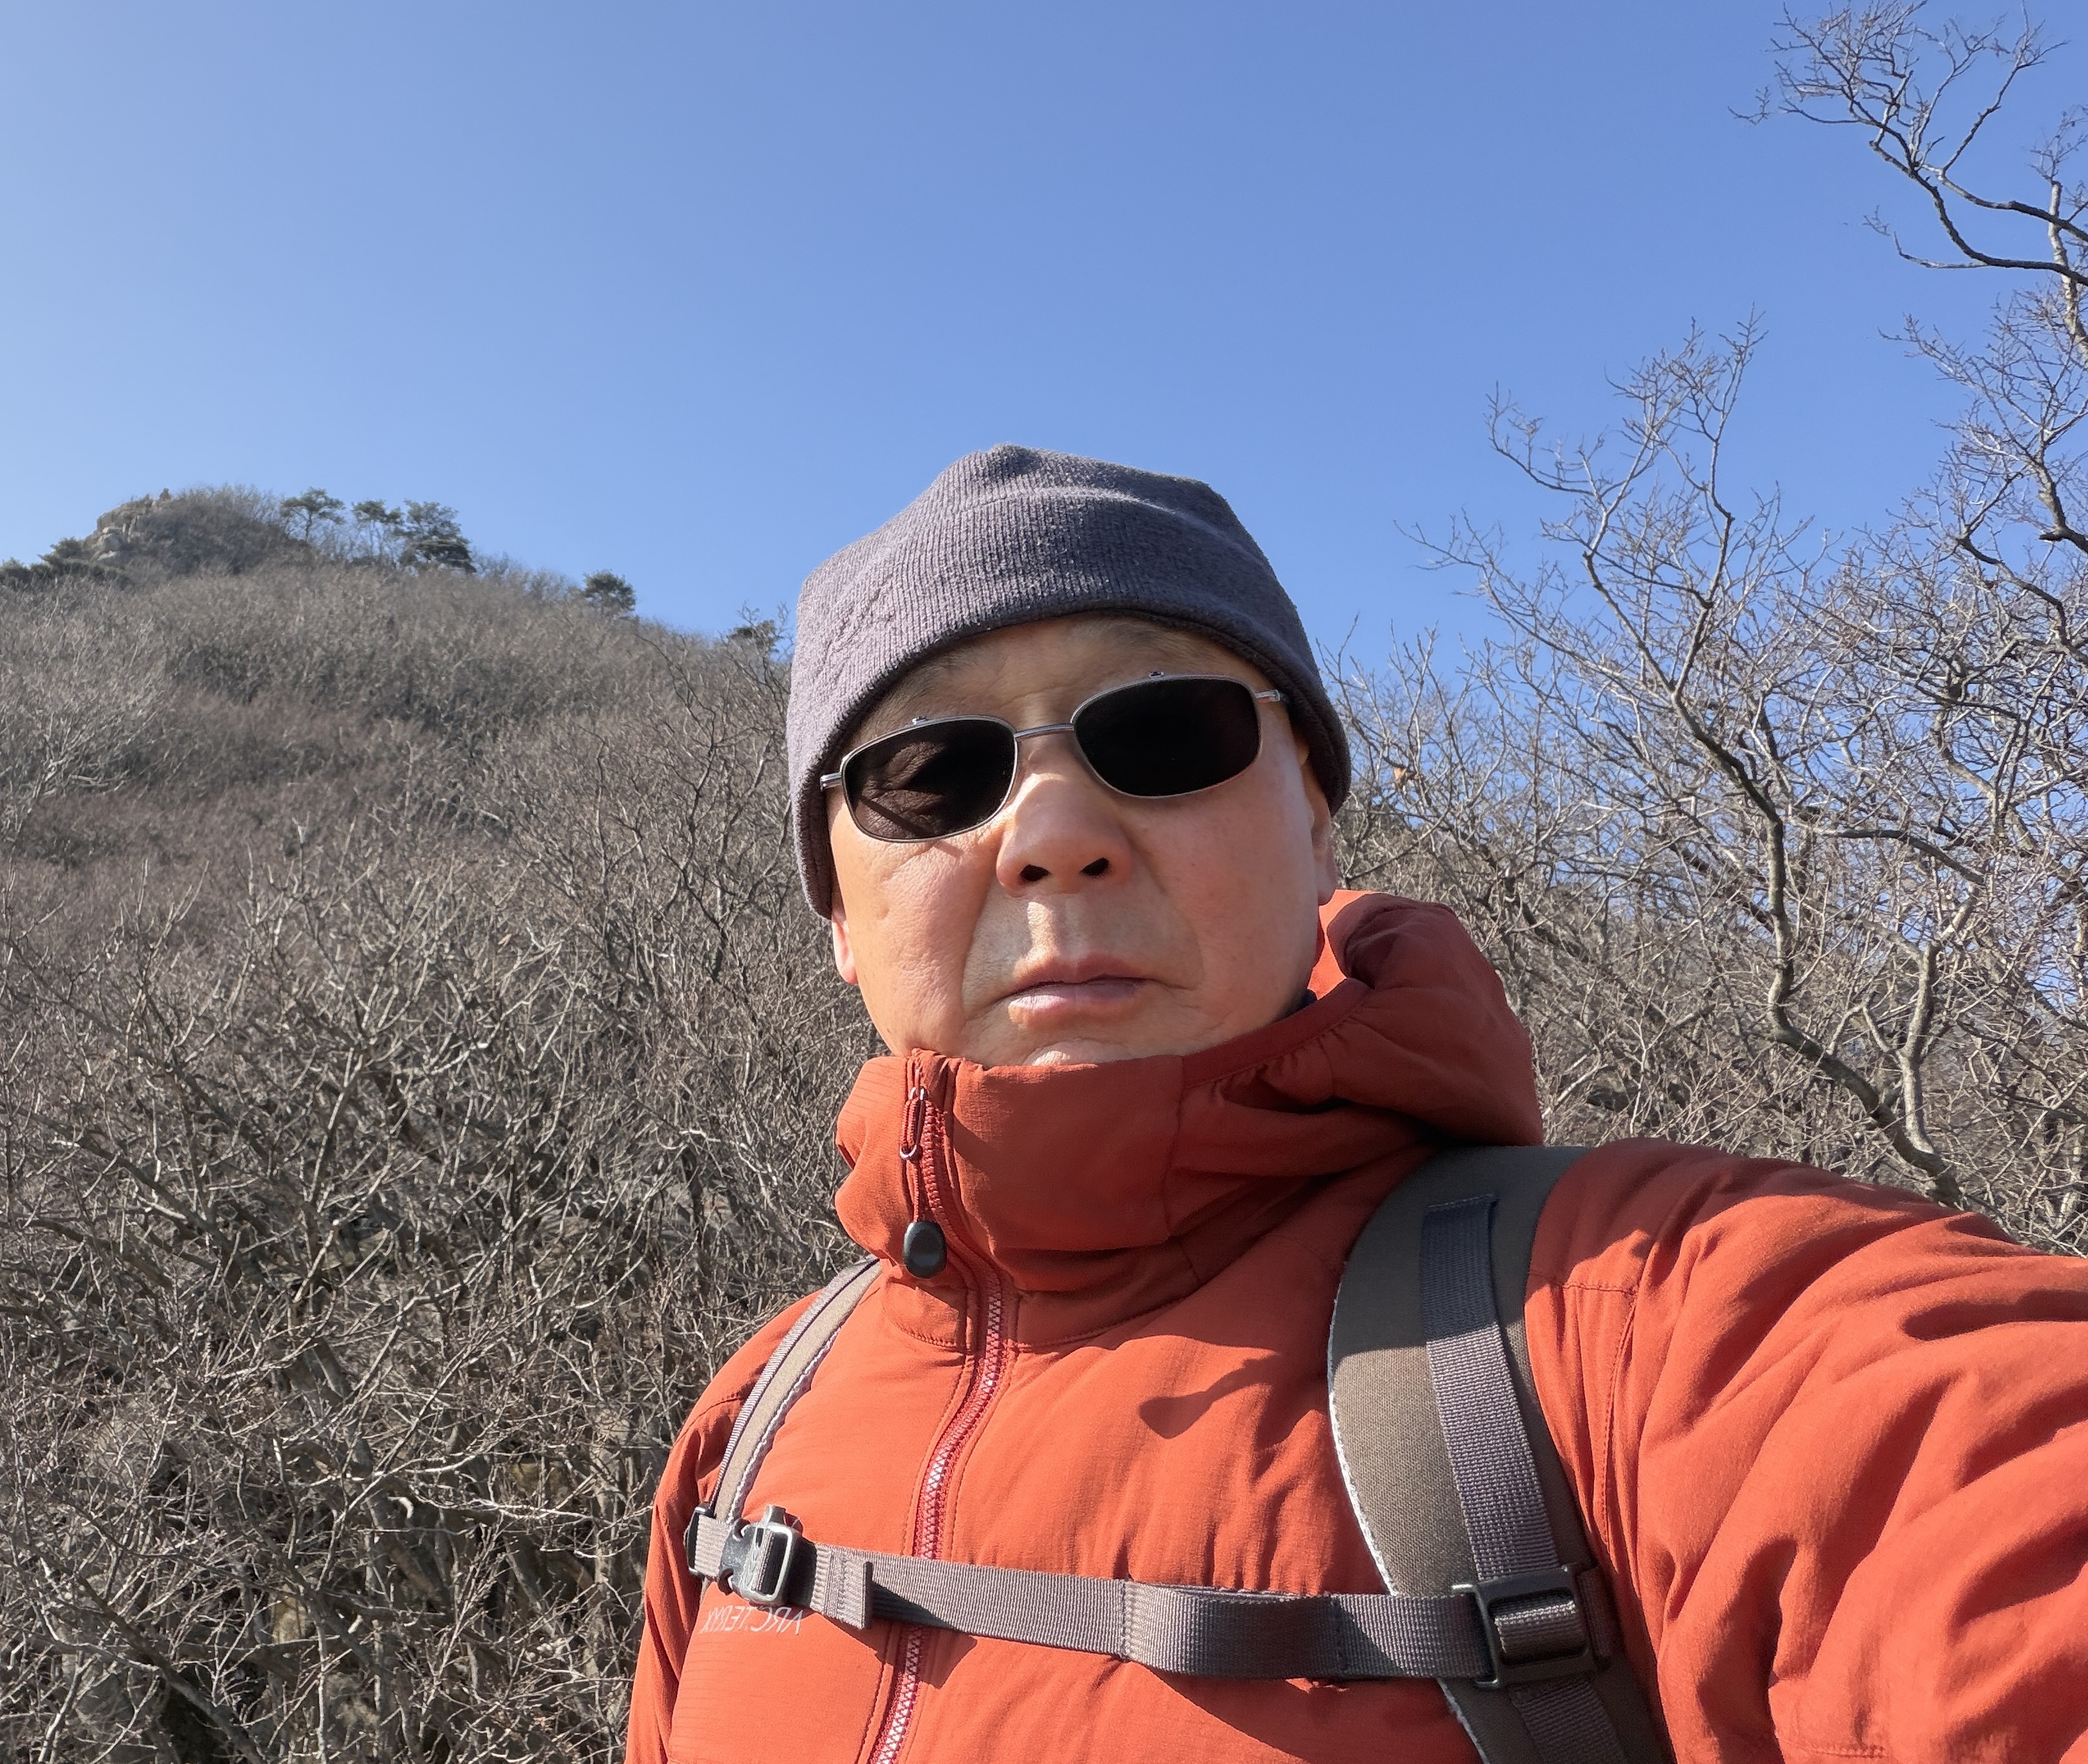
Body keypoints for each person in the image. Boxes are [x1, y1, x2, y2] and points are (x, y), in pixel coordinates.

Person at [625, 447, 2088, 1764]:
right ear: (836, 910)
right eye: (931, 771)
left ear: (1315, 817)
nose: (1055, 834)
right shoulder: (750, 1429)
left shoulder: (1643, 1318)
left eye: (1167, 732)